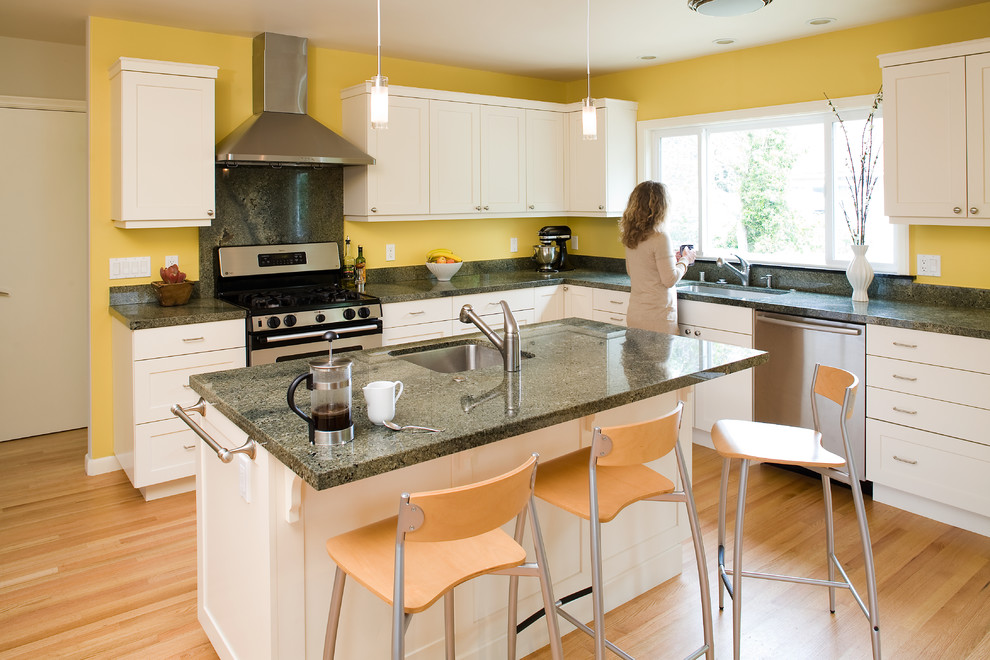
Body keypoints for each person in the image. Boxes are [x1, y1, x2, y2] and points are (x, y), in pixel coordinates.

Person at [620, 180, 696, 334]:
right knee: (661, 359)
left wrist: (671, 260)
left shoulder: (631, 236)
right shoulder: (660, 237)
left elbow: (635, 271)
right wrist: (685, 260)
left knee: (636, 359)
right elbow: (669, 280)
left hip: (636, 315)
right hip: (657, 319)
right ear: (661, 207)